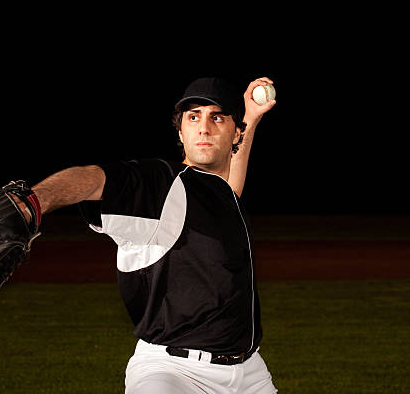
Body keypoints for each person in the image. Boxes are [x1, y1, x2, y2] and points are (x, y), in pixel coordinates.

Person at [22, 76, 277, 393]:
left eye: (217, 117)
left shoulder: (222, 196)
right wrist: (31, 203)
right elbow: (93, 180)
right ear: (180, 132)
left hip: (249, 373)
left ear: (235, 131)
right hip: (172, 373)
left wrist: (251, 117)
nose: (204, 127)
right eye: (193, 116)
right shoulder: (162, 185)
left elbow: (230, 185)